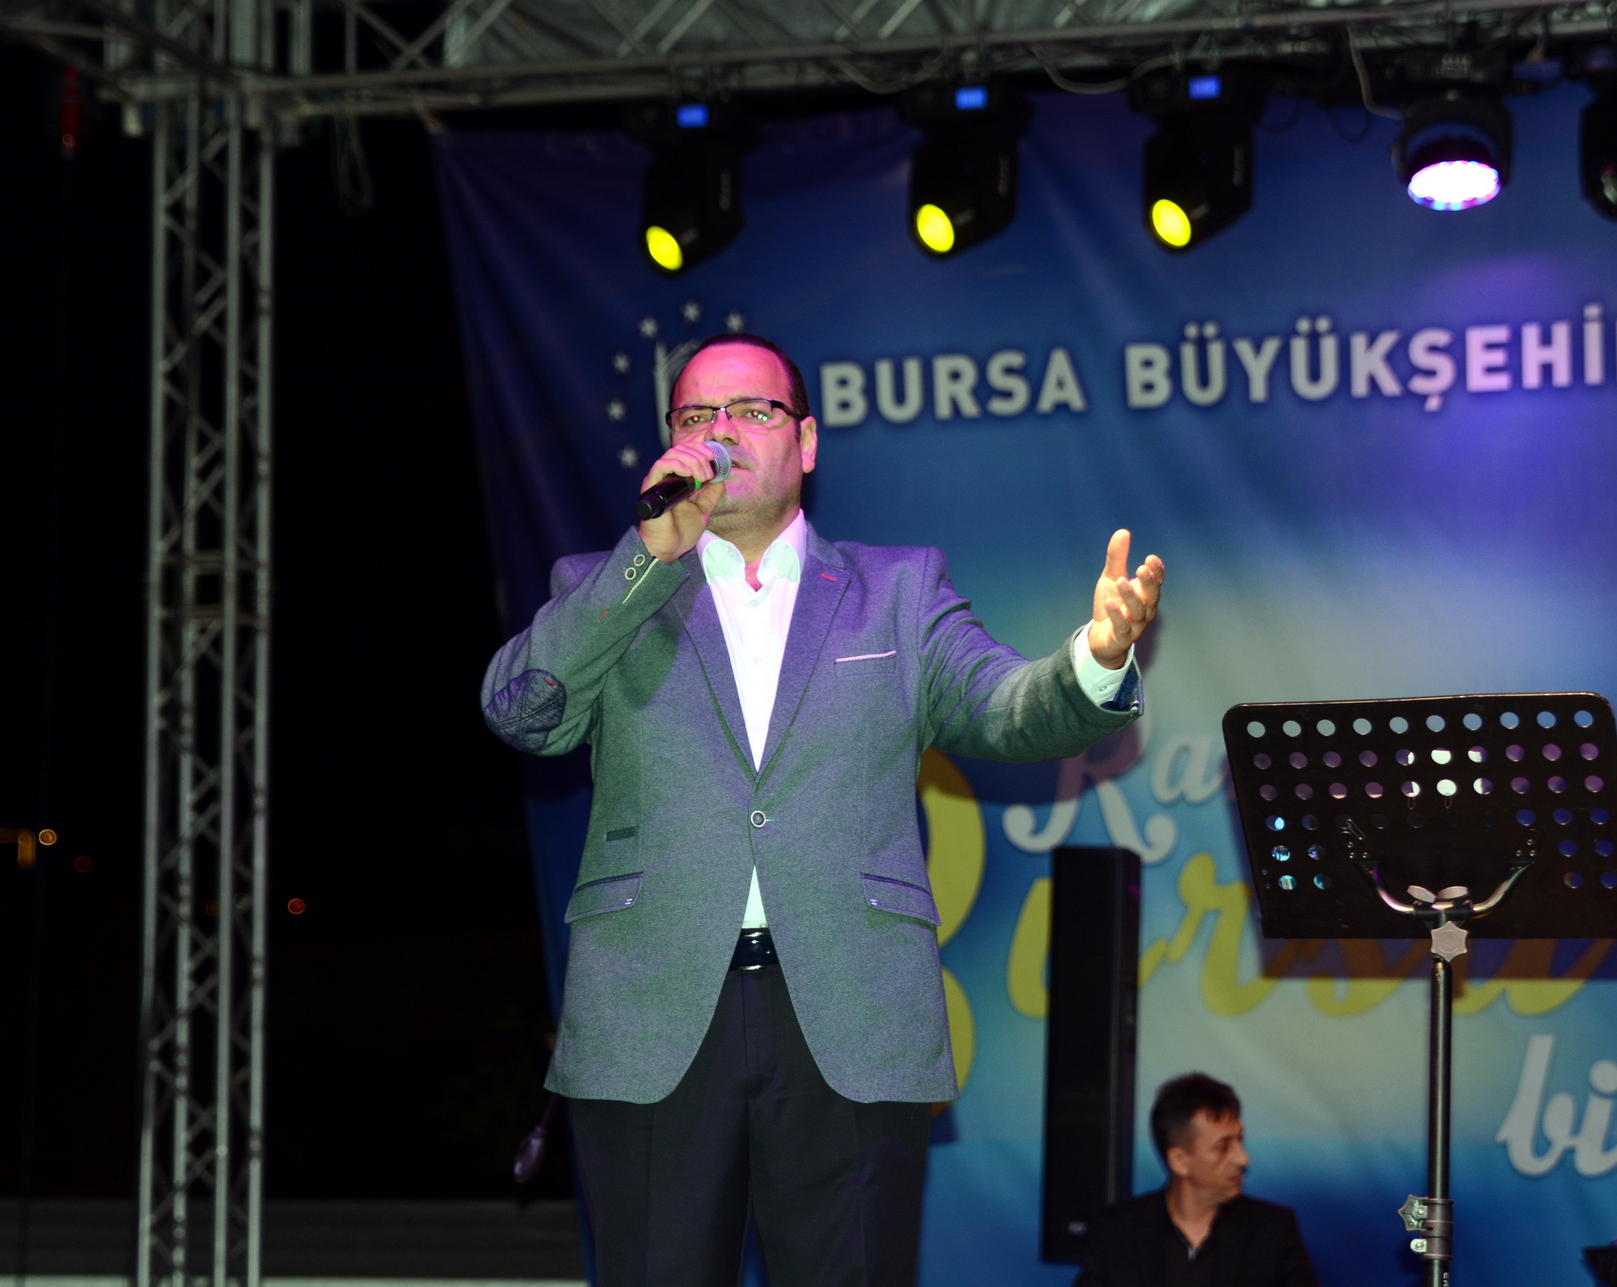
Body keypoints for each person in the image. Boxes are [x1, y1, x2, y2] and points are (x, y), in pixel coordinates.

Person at [483, 333, 1164, 1287]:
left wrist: (1095, 657)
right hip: (651, 1013)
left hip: (852, 1011)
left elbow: (1006, 707)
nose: (723, 433)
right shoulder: (604, 587)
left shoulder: (898, 591)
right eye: (697, 415)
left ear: (805, 442)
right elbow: (523, 713)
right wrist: (645, 559)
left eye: (752, 411)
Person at [1075, 1074, 1319, 1287]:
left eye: (1239, 1141)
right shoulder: (1115, 1233)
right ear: (1180, 1161)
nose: (1243, 1159)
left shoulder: (1272, 1231)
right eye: (1223, 1147)